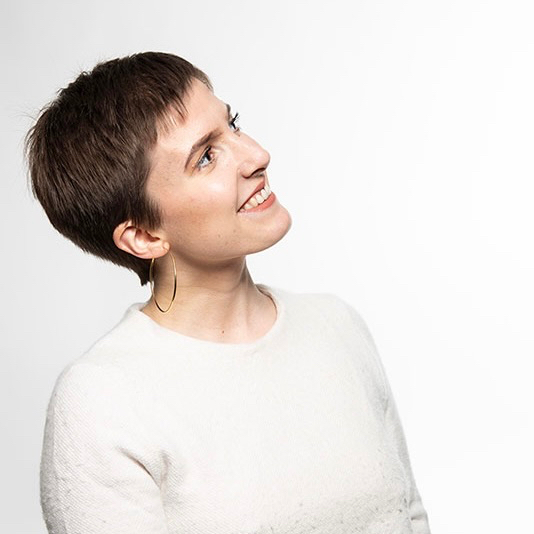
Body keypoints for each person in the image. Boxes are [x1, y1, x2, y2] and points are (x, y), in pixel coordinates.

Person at [27, 52, 431, 534]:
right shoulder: (102, 403)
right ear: (144, 236)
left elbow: (409, 516)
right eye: (206, 156)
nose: (257, 156)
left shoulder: (336, 326)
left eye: (233, 125)